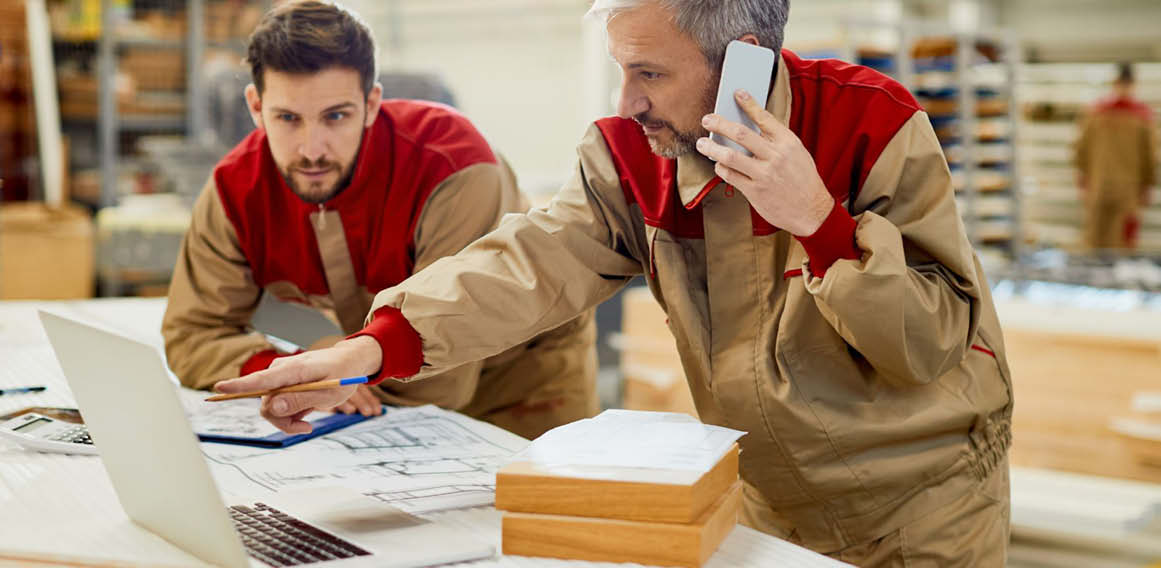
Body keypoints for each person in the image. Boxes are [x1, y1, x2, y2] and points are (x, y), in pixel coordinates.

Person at [218, 1, 1014, 565]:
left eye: (648, 73)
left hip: (917, 510)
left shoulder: (871, 124)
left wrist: (818, 220)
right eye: (620, 70)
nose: (625, 101)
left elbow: (929, 341)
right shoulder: (636, 152)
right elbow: (531, 263)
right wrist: (376, 344)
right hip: (763, 499)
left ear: (744, 58)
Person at [162, 0, 598, 440]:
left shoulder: (454, 168)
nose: (312, 149)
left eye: (336, 116)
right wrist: (284, 373)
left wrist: (337, 371)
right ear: (256, 107)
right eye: (288, 118)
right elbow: (191, 334)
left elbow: (441, 380)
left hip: (521, 386)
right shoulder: (235, 191)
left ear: (371, 104)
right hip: (371, 383)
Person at [1075, 62, 1157, 251]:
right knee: (1119, 242)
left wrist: (1083, 177)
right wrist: (1147, 184)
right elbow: (1150, 158)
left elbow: (1080, 150)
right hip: (1123, 188)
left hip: (1104, 186)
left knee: (1099, 239)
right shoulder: (1142, 116)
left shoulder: (1095, 112)